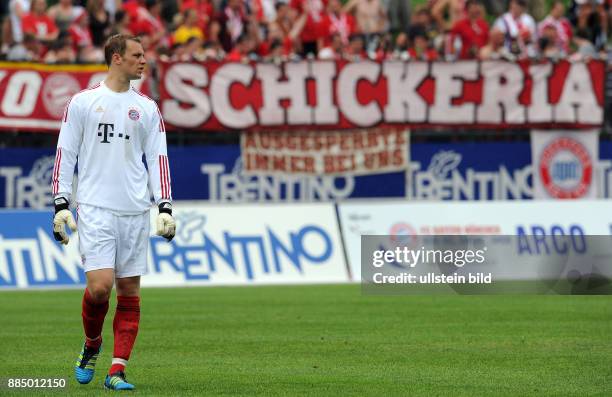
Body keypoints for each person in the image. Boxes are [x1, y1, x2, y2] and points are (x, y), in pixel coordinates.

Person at [50, 34, 176, 391]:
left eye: (144, 55)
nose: (143, 61)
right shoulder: (83, 103)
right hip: (95, 207)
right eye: (137, 55)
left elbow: (158, 159)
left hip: (135, 211)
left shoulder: (148, 108)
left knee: (129, 291)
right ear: (116, 58)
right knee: (101, 288)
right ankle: (92, 344)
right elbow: (65, 153)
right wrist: (61, 202)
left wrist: (164, 205)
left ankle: (116, 370)